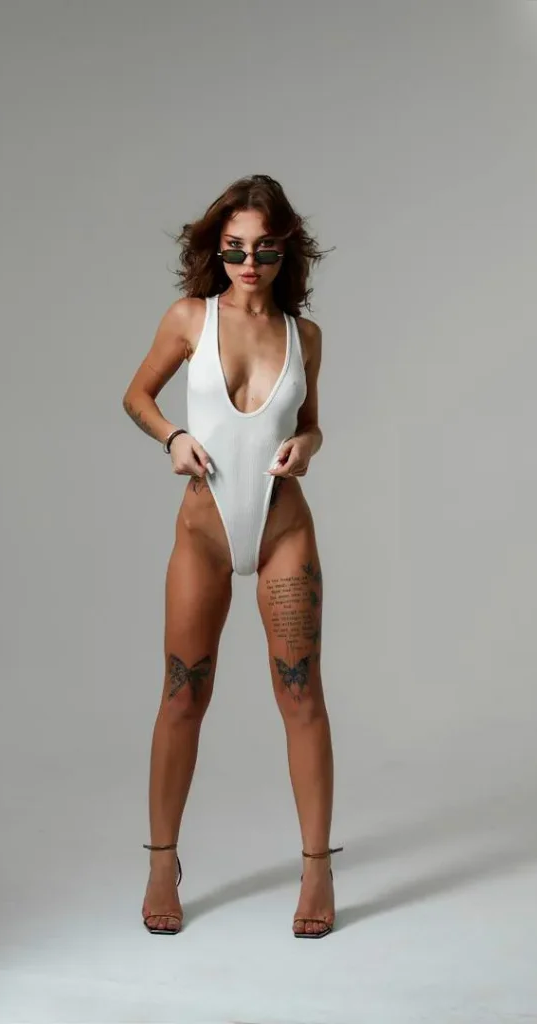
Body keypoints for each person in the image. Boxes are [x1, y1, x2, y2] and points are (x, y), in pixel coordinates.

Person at [122, 174, 343, 938]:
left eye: (264, 250)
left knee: (300, 696)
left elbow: (310, 425)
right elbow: (137, 395)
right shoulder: (191, 318)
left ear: (287, 251)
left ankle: (317, 867)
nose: (249, 264)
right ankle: (162, 861)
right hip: (203, 535)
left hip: (282, 530)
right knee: (182, 695)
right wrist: (173, 437)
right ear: (216, 250)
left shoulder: (304, 336)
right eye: (234, 250)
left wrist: (307, 445)